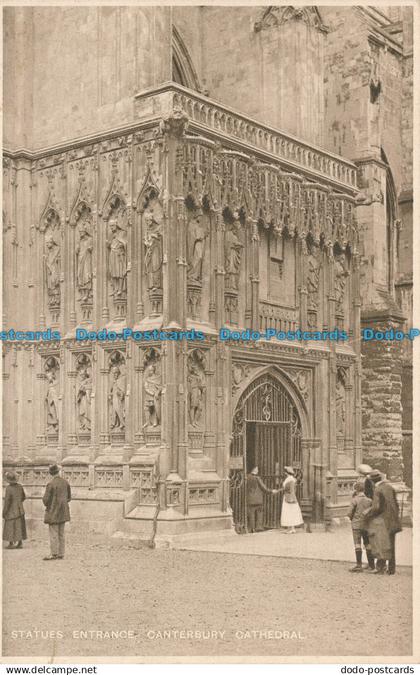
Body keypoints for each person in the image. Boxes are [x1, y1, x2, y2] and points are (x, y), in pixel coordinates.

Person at [363, 469, 402, 575]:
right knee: (391, 544)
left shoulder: (378, 489)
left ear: (372, 481)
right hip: (393, 520)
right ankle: (391, 569)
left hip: (383, 521)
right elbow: (396, 504)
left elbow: (376, 507)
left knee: (381, 543)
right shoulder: (390, 487)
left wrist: (367, 513)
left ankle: (380, 567)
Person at [42, 465, 71, 561]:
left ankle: (54, 553)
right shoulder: (65, 482)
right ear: (58, 472)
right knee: (61, 533)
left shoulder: (50, 484)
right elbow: (69, 498)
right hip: (63, 511)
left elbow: (45, 500)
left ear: (51, 473)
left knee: (54, 533)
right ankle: (61, 553)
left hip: (53, 511)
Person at [347, 481, 375, 572]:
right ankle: (371, 565)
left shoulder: (354, 500)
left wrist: (352, 519)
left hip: (356, 525)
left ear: (356, 490)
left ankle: (359, 565)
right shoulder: (369, 500)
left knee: (357, 544)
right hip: (366, 525)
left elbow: (349, 513)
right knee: (368, 544)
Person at [246, 467, 278, 534]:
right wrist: (271, 491)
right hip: (258, 500)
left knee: (251, 513)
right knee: (259, 512)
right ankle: (259, 527)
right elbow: (264, 488)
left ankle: (252, 529)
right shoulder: (257, 478)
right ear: (254, 470)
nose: (258, 470)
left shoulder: (247, 477)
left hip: (250, 499)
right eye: (257, 469)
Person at [3, 472, 27, 549]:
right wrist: (19, 503)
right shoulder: (20, 486)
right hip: (20, 509)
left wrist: (4, 512)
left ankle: (11, 543)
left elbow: (7, 501)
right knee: (19, 526)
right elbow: (23, 497)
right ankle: (20, 543)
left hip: (11, 510)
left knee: (10, 526)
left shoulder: (8, 488)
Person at [280, 466, 303, 534]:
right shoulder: (290, 479)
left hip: (289, 498)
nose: (284, 473)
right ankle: (292, 528)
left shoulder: (290, 480)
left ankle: (290, 529)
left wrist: (292, 499)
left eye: (285, 472)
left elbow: (292, 490)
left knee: (288, 512)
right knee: (291, 513)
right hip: (289, 497)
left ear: (287, 473)